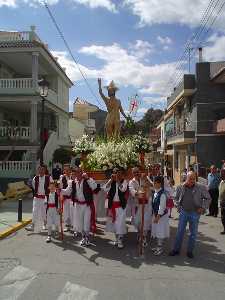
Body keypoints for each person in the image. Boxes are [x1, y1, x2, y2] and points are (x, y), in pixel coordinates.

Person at [169, 171, 211, 258]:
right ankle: (176, 250)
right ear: (186, 178)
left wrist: (203, 208)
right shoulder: (181, 187)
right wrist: (178, 206)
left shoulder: (200, 187)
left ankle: (190, 251)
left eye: (193, 179)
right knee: (180, 231)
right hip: (184, 212)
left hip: (195, 213)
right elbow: (174, 198)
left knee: (193, 233)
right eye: (190, 178)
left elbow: (208, 198)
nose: (192, 180)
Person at [61, 167, 100, 246]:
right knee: (80, 223)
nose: (78, 174)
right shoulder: (72, 183)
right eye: (76, 173)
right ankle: (83, 237)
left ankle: (87, 237)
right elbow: (67, 192)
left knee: (86, 222)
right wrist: (59, 189)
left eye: (79, 172)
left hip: (87, 205)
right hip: (78, 205)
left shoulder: (88, 180)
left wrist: (88, 178)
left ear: (82, 173)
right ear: (74, 174)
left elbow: (95, 188)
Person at [103, 168, 128, 249]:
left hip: (121, 206)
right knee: (114, 223)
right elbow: (105, 188)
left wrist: (117, 180)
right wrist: (111, 180)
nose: (118, 175)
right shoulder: (111, 182)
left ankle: (120, 240)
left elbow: (123, 189)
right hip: (112, 206)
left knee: (120, 224)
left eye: (119, 173)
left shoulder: (124, 181)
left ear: (122, 174)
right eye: (116, 173)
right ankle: (117, 239)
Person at [129, 167, 153, 247]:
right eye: (135, 172)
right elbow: (133, 192)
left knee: (145, 221)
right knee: (137, 222)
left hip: (147, 204)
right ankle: (139, 233)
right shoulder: (131, 182)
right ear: (133, 173)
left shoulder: (145, 178)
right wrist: (140, 191)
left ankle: (144, 237)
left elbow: (152, 186)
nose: (137, 173)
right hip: (137, 205)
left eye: (138, 172)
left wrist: (146, 180)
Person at [25, 166, 53, 232]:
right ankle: (32, 225)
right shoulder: (35, 178)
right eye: (39, 170)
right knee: (34, 211)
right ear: (38, 171)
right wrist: (38, 193)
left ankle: (45, 223)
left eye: (42, 170)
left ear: (45, 170)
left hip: (45, 198)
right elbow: (34, 186)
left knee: (44, 212)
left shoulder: (49, 177)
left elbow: (52, 187)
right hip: (37, 197)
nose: (41, 171)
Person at [151, 176, 169, 256]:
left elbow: (161, 207)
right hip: (156, 215)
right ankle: (158, 246)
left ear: (160, 184)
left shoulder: (162, 194)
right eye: (153, 182)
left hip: (161, 216)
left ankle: (160, 247)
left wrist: (158, 217)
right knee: (157, 231)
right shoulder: (155, 192)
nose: (153, 184)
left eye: (155, 182)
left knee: (160, 231)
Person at [59, 165, 72, 232]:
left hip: (73, 198)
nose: (67, 171)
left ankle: (74, 225)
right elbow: (60, 188)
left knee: (72, 212)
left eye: (68, 170)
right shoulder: (62, 178)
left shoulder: (73, 177)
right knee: (66, 212)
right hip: (66, 198)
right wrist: (61, 197)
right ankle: (67, 226)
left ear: (70, 170)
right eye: (65, 170)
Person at [218, 169, 225, 235]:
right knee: (223, 217)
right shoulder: (221, 182)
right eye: (220, 173)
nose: (220, 175)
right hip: (222, 202)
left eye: (222, 174)